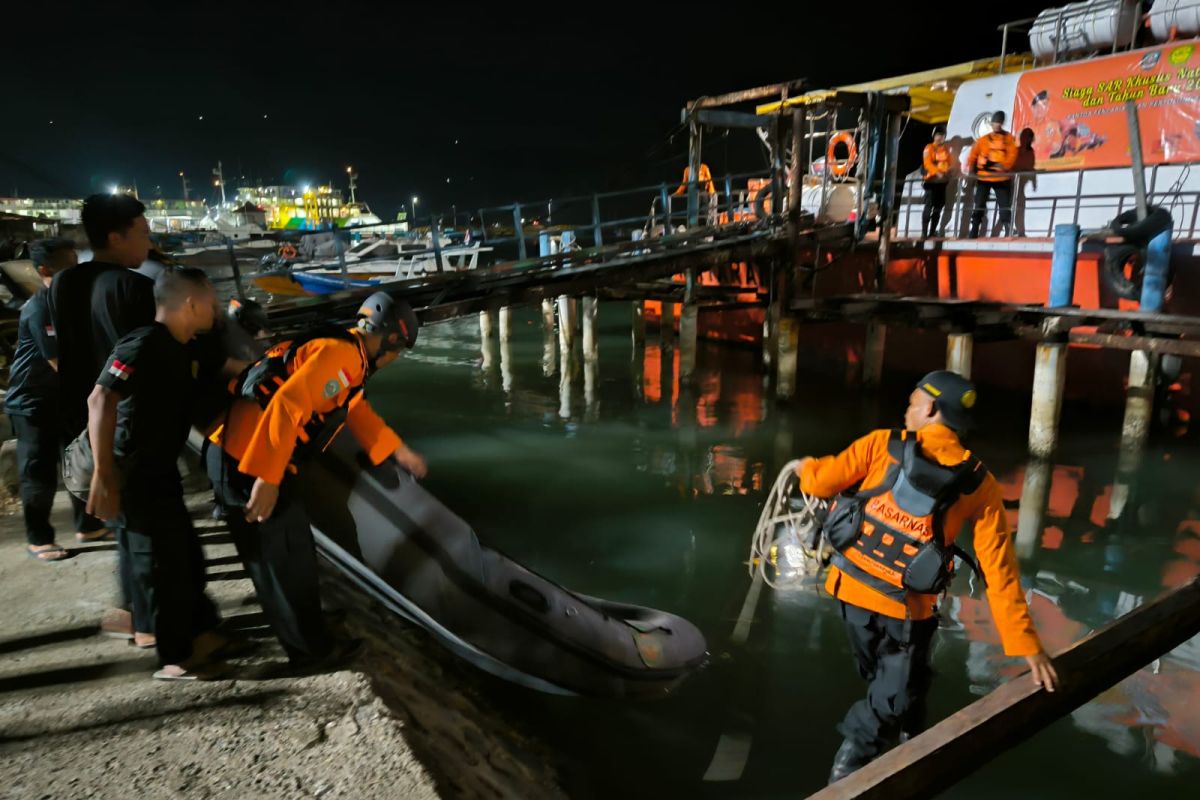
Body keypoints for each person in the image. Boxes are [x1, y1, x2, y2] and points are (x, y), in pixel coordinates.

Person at [794, 370, 1059, 784]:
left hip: (850, 594)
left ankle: (871, 752)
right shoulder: (981, 485)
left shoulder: (882, 443)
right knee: (890, 691)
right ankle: (854, 763)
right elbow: (999, 572)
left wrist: (805, 467)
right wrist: (1028, 646)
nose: (908, 408)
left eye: (913, 401)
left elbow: (822, 480)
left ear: (932, 408)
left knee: (888, 683)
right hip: (907, 613)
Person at [206, 291, 427, 669]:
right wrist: (267, 478)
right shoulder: (340, 356)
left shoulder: (348, 355)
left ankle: (311, 630)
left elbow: (353, 406)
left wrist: (396, 450)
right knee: (280, 561)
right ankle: (309, 653)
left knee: (296, 551)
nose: (395, 360)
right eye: (399, 351)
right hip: (245, 461)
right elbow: (287, 405)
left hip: (258, 455)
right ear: (389, 339)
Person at [86, 266, 232, 680]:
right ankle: (175, 657)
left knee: (184, 557)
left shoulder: (180, 349)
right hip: (134, 475)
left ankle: (197, 635)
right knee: (161, 566)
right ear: (189, 304)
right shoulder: (144, 343)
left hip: (159, 472)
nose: (216, 311)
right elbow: (100, 399)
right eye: (211, 303)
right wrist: (104, 474)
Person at [48, 193, 156, 642]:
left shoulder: (61, 284)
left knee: (127, 522)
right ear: (116, 236)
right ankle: (146, 622)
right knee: (145, 527)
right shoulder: (136, 289)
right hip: (129, 422)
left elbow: (63, 356)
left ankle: (132, 612)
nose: (149, 243)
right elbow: (146, 363)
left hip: (83, 423)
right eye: (143, 233)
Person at [4, 238, 108, 561]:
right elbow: (59, 363)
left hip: (64, 395)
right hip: (33, 401)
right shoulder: (41, 306)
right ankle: (39, 538)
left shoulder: (70, 301)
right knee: (39, 471)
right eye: (68, 265)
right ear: (44, 270)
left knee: (77, 460)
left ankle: (88, 524)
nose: (77, 271)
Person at [967, 111, 1018, 238]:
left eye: (999, 122)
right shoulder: (983, 140)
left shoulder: (1009, 139)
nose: (997, 125)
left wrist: (1003, 166)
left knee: (1004, 204)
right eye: (995, 122)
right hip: (984, 177)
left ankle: (1008, 229)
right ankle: (974, 229)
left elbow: (1012, 155)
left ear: (1002, 123)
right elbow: (972, 156)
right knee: (979, 204)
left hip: (1001, 178)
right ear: (991, 123)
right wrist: (971, 173)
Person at [921, 126, 952, 239]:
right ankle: (924, 233)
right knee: (928, 206)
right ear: (934, 136)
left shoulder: (946, 149)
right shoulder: (928, 148)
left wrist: (949, 172)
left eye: (942, 135)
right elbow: (927, 163)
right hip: (931, 182)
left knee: (938, 207)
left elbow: (949, 162)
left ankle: (932, 231)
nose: (940, 137)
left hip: (942, 183)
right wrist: (937, 172)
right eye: (938, 135)